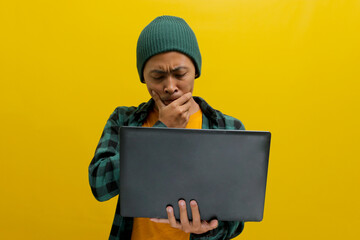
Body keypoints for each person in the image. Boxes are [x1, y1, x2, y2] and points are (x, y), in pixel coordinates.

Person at [89, 15, 246, 240]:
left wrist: (204, 231)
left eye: (180, 74)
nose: (170, 87)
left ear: (196, 71)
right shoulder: (123, 119)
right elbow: (99, 185)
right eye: (158, 76)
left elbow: (236, 222)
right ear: (143, 77)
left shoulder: (227, 128)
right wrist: (160, 132)